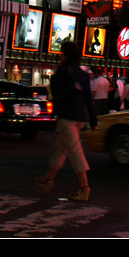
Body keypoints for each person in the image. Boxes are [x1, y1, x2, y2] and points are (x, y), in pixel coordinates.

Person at [35, 41, 98, 201]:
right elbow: (89, 99)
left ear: (65, 54)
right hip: (80, 118)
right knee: (61, 148)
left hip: (67, 117)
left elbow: (55, 92)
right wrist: (93, 120)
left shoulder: (63, 70)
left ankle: (84, 188)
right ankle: (48, 179)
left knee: (74, 150)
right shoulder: (84, 74)